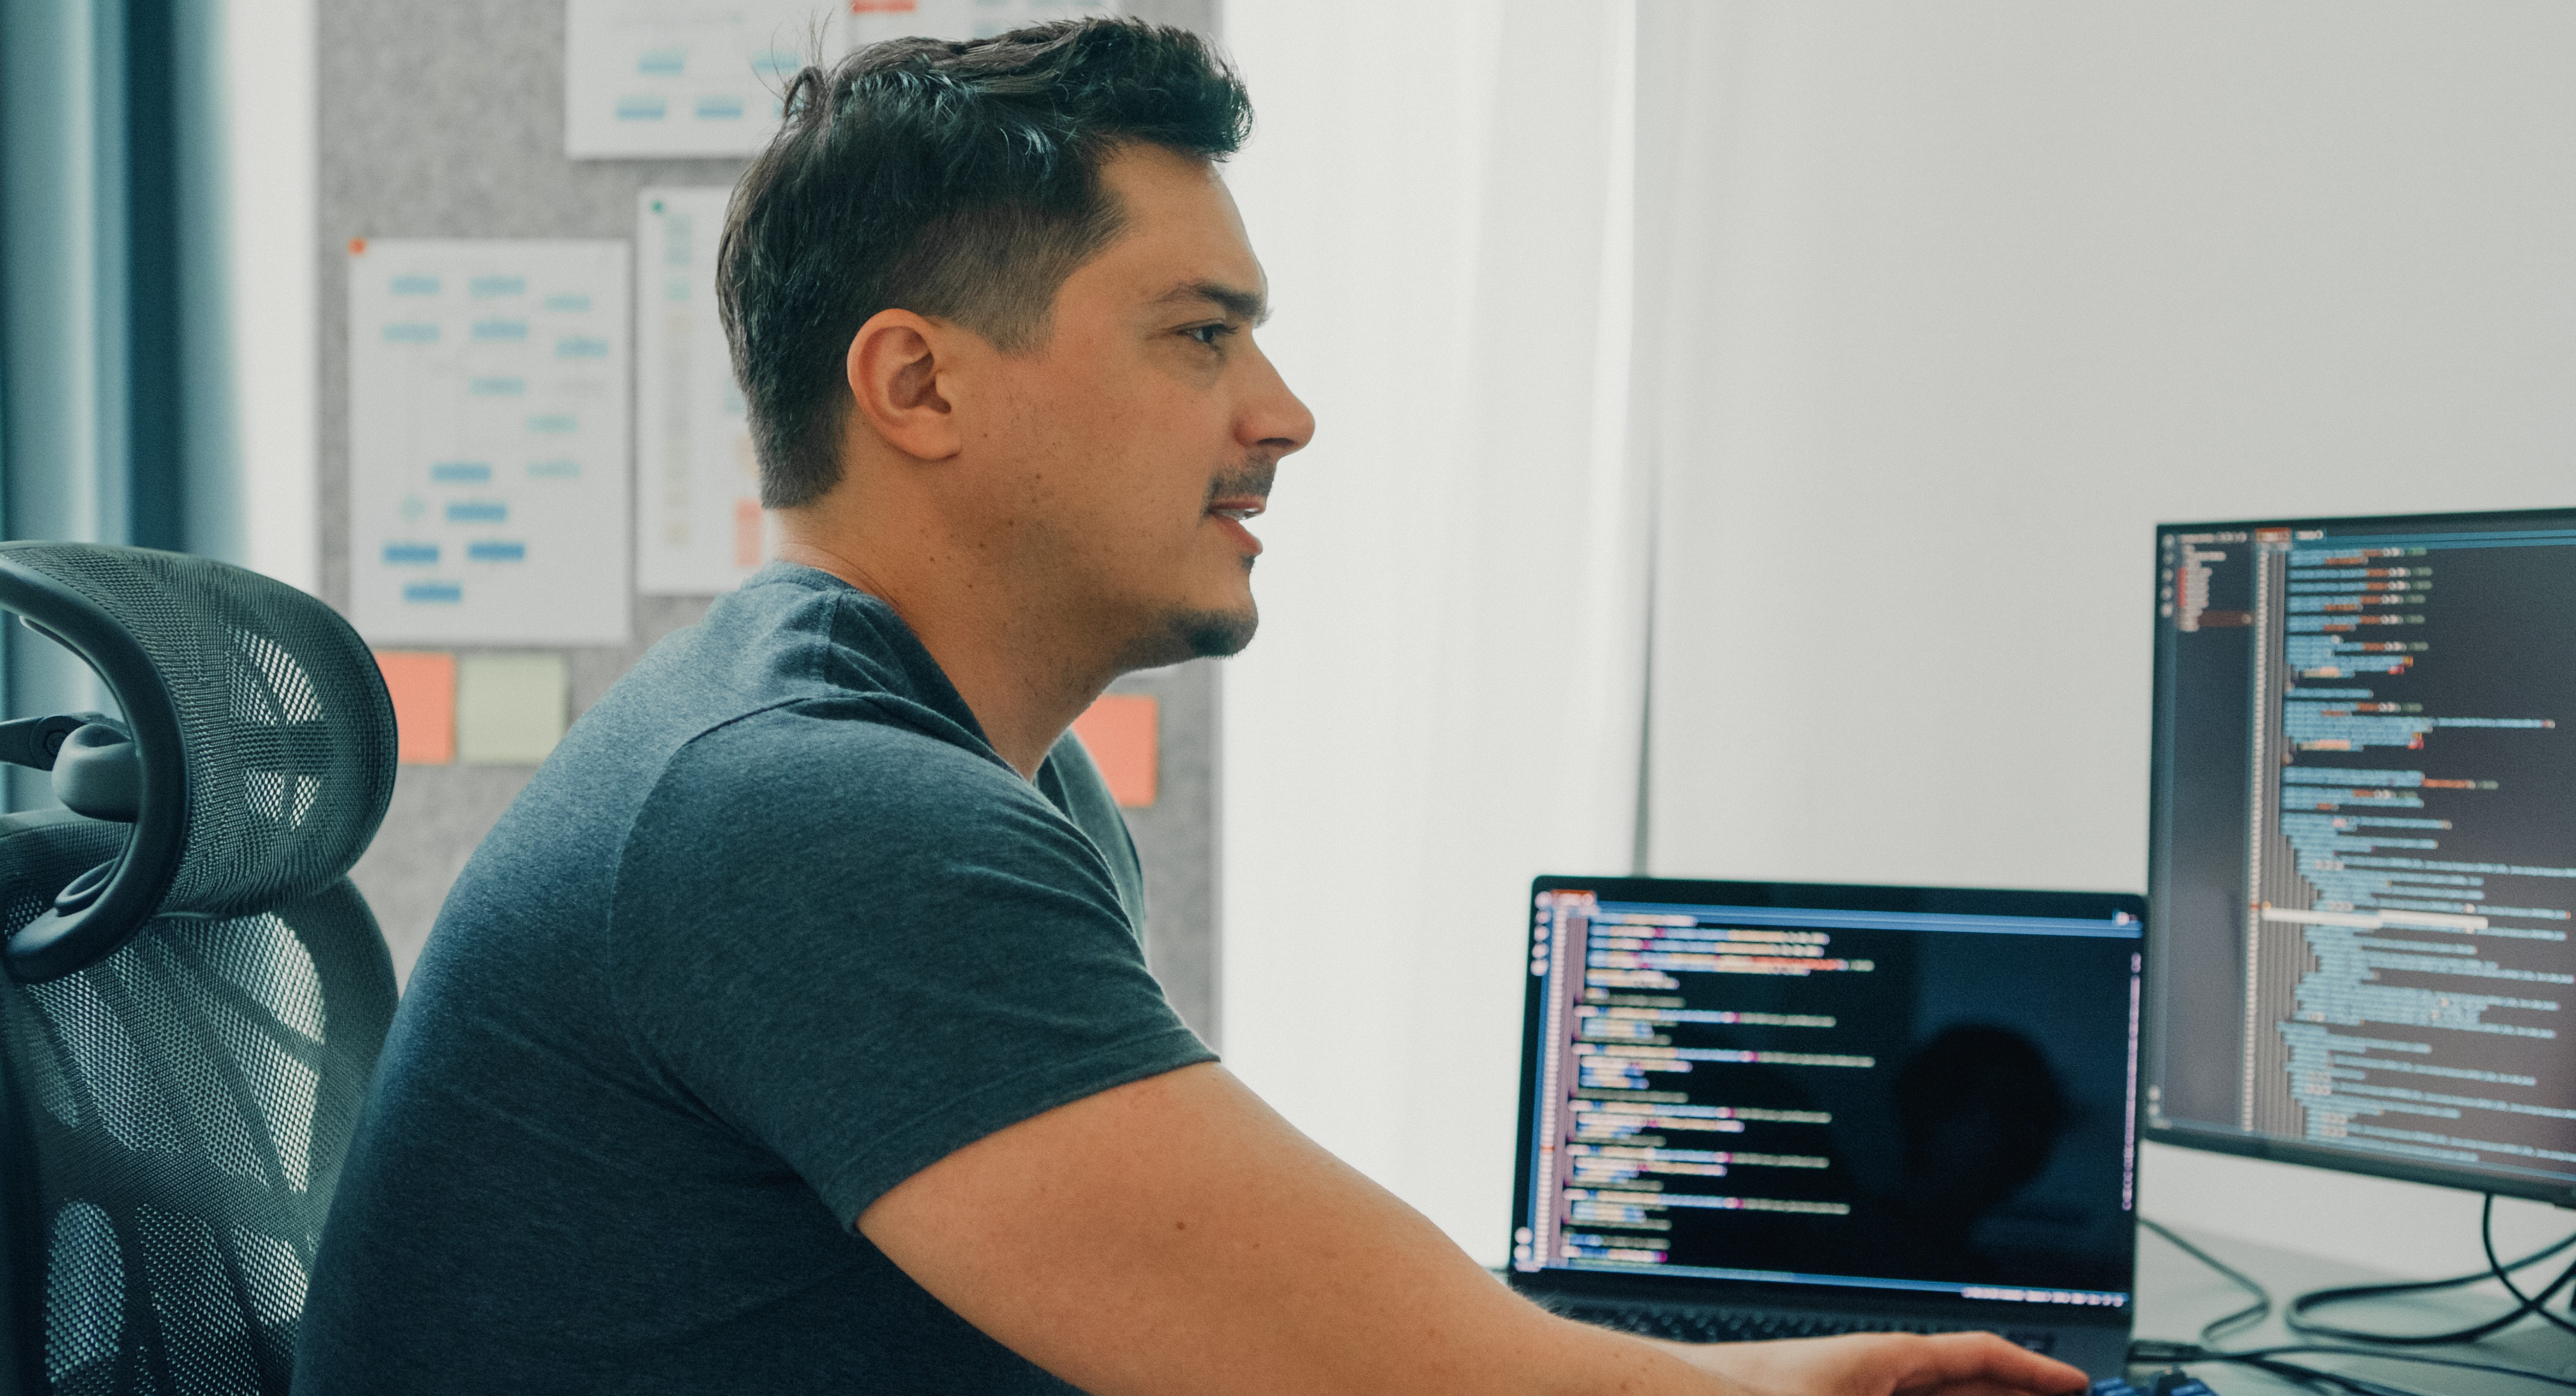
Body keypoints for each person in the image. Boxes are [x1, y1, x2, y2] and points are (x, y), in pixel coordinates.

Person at [294, 21, 2087, 1395]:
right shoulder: (806, 809)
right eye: (1200, 334)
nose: (1284, 411)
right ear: (918, 382)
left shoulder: (989, 777)